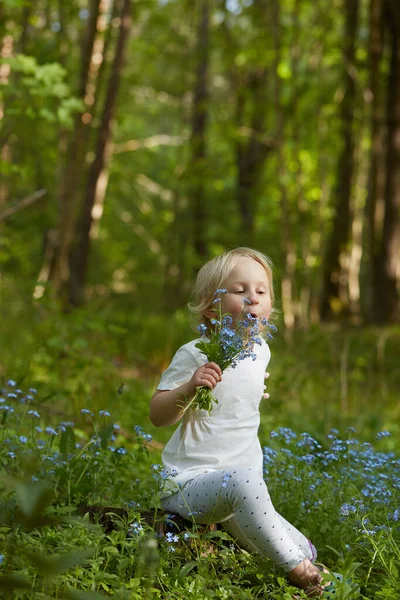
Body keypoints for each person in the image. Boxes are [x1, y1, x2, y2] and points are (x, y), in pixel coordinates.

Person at [149, 247, 330, 597]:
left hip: (237, 494)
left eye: (261, 292)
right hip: (190, 485)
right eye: (239, 290)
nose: (253, 299)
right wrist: (189, 388)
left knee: (306, 549)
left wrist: (252, 392)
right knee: (255, 498)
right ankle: (298, 574)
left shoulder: (260, 350)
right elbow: (158, 415)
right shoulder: (195, 353)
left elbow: (240, 391)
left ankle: (301, 569)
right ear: (209, 305)